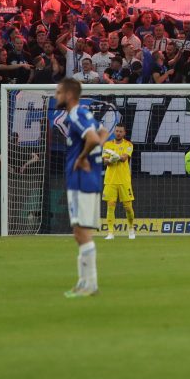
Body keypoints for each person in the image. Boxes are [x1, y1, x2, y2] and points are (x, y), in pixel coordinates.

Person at [53, 77, 105, 298]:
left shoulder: (75, 114)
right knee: (79, 233)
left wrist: (82, 157)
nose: (56, 96)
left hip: (81, 179)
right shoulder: (85, 113)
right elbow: (102, 133)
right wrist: (94, 152)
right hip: (88, 177)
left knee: (82, 233)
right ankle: (83, 282)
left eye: (58, 93)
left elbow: (93, 138)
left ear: (69, 95)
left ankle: (90, 284)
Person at [102, 123, 136, 240]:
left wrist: (117, 157)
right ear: (114, 132)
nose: (118, 133)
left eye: (121, 131)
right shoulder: (107, 144)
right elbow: (105, 162)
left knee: (128, 207)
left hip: (124, 180)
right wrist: (112, 158)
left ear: (124, 133)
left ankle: (131, 228)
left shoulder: (128, 145)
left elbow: (124, 158)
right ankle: (110, 233)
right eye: (117, 131)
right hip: (110, 180)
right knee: (110, 206)